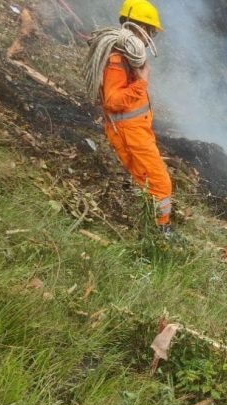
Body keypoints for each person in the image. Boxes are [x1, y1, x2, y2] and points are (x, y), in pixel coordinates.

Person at [85, 0, 173, 237]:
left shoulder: (126, 56)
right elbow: (113, 102)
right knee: (160, 183)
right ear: (139, 27)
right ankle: (160, 232)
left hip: (136, 130)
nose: (150, 37)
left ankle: (149, 225)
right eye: (151, 31)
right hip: (128, 132)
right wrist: (142, 81)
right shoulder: (117, 59)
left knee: (145, 180)